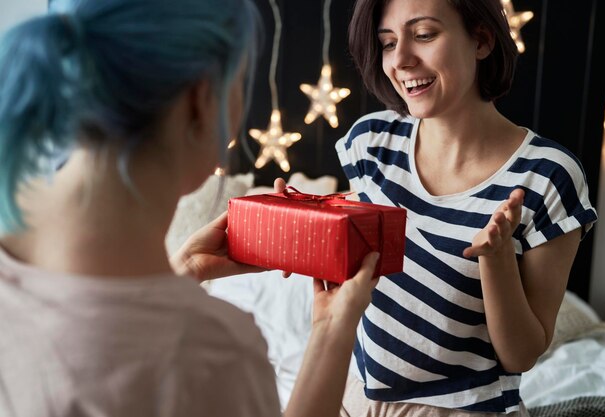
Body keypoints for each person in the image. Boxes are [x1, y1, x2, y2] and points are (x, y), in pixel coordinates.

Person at [0, 1, 380, 416]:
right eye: (240, 82)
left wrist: (183, 271)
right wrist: (331, 329)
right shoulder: (209, 356)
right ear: (201, 100)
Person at [334, 0, 598, 415]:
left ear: (481, 40)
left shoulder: (548, 176)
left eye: (423, 35)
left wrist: (496, 261)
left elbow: (521, 355)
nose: (401, 59)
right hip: (354, 399)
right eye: (387, 43)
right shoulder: (369, 143)